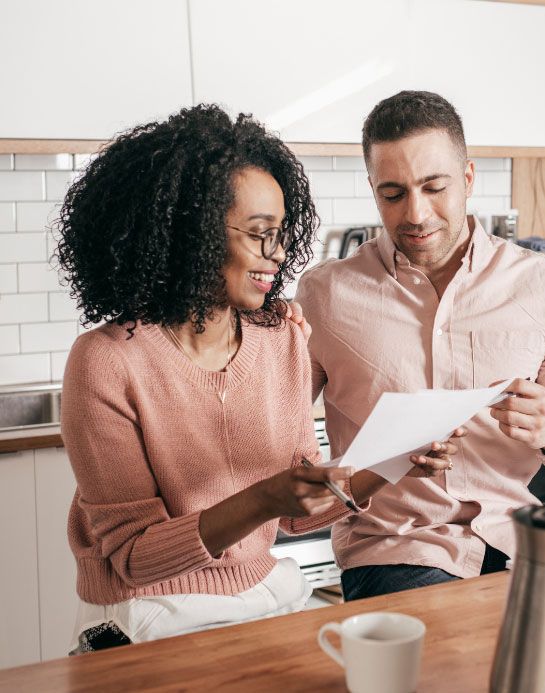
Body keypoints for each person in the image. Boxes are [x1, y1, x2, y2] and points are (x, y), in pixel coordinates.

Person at [55, 105, 455, 653]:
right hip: (147, 614)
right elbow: (134, 558)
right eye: (260, 234)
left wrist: (393, 465)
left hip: (262, 595)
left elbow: (293, 510)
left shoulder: (282, 339)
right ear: (186, 234)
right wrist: (264, 499)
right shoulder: (105, 361)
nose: (279, 253)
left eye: (282, 233)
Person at [295, 91, 545, 601]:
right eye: (393, 193)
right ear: (373, 191)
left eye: (434, 187)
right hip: (398, 547)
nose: (416, 213)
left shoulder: (541, 285)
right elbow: (277, 445)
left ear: (468, 178)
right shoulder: (325, 295)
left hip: (518, 539)